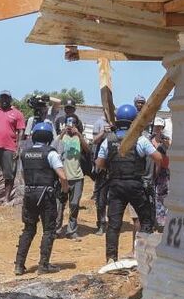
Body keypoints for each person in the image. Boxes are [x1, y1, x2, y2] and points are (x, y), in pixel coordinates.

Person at [96, 104, 166, 263]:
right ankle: (144, 256)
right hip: (135, 185)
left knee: (114, 223)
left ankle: (111, 258)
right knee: (146, 220)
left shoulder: (109, 140)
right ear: (134, 120)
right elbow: (158, 158)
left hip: (115, 185)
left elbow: (99, 163)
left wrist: (112, 167)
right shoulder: (140, 139)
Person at [15, 122, 68, 276]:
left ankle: (19, 265)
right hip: (46, 195)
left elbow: (23, 175)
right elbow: (63, 177)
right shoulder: (51, 153)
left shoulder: (25, 153)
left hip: (29, 193)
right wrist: (64, 192)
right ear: (50, 137)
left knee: (28, 229)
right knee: (49, 230)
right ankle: (43, 265)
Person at [0, 90, 25, 204]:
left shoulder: (17, 113)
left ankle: (6, 199)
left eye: (6, 98)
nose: (4, 100)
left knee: (9, 174)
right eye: (2, 97)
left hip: (10, 147)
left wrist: (18, 147)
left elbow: (21, 131)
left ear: (10, 99)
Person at [54, 115, 89, 240]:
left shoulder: (79, 137)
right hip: (62, 177)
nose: (71, 126)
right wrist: (62, 133)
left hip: (77, 176)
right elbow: (53, 146)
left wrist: (79, 135)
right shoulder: (61, 137)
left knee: (74, 204)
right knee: (59, 204)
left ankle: (71, 230)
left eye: (73, 123)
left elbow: (87, 149)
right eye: (69, 123)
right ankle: (57, 229)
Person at [150, 117, 172, 228]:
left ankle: (162, 222)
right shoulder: (149, 140)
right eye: (156, 126)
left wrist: (167, 145)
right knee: (153, 196)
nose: (158, 129)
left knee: (163, 197)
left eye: (160, 127)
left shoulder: (167, 141)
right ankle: (154, 220)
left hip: (163, 172)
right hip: (152, 171)